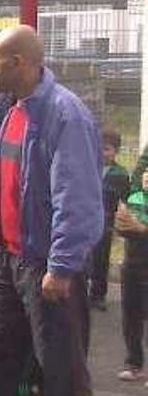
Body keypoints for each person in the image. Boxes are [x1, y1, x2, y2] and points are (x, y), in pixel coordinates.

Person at [0, 25, 103, 396]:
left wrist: (63, 265)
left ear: (17, 63)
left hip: (46, 269)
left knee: (57, 380)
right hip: (9, 263)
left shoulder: (64, 114)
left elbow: (79, 197)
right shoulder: (12, 108)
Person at [113, 170, 148, 384]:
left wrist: (141, 228)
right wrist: (123, 224)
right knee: (131, 318)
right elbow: (123, 230)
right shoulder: (133, 199)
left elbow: (139, 229)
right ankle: (134, 364)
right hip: (131, 266)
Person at [91, 129, 130, 311]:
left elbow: (125, 199)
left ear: (116, 151)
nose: (102, 152)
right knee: (82, 257)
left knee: (101, 259)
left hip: (105, 224)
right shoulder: (88, 167)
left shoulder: (120, 174)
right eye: (99, 148)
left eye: (106, 149)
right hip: (85, 220)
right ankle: (78, 292)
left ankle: (98, 295)